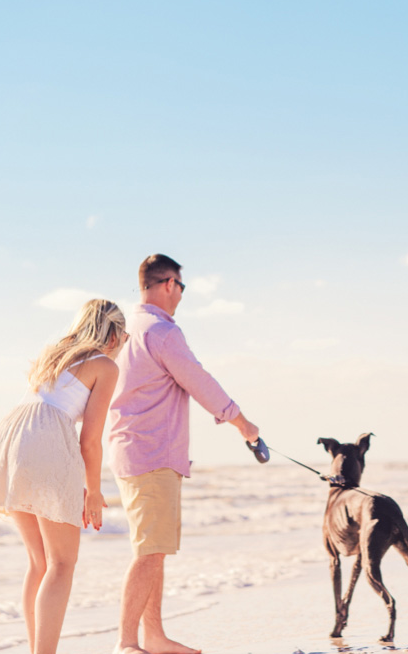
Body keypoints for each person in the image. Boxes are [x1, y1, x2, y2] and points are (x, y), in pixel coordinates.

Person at [109, 254, 260, 654]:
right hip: (151, 453)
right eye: (181, 286)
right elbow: (199, 381)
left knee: (154, 549)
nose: (181, 295)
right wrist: (243, 425)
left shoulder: (128, 331)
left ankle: (154, 637)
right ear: (168, 284)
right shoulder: (161, 331)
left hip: (134, 451)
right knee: (148, 552)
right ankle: (126, 644)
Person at [0, 299, 128, 654]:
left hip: (12, 434)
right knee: (62, 563)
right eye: (126, 336)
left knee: (39, 562)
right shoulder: (104, 365)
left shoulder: (55, 356)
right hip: (46, 438)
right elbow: (90, 440)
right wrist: (93, 491)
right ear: (115, 334)